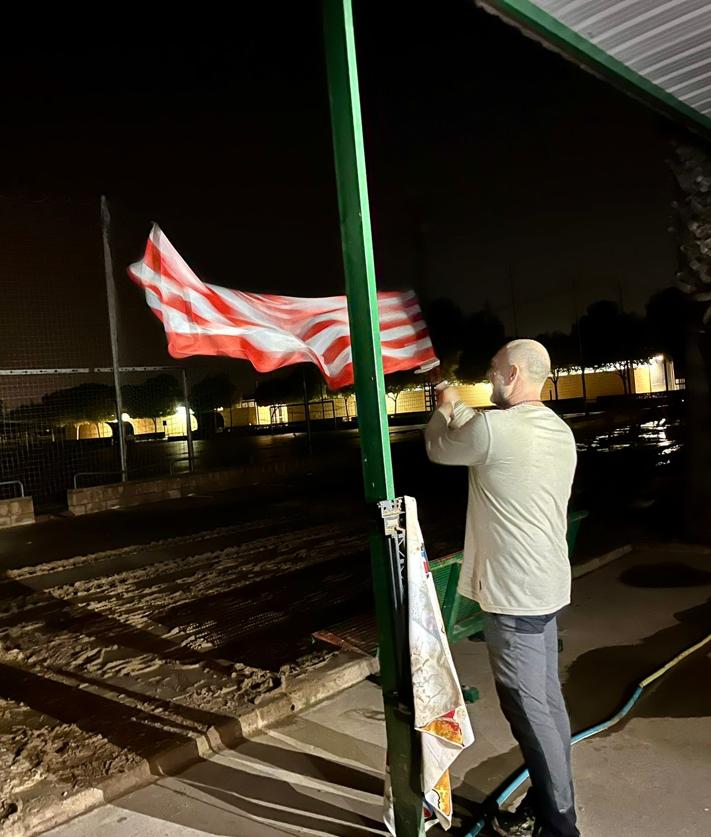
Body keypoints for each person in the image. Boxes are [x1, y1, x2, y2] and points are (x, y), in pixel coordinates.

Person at [424, 339, 579, 837]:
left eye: (492, 371)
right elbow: (482, 429)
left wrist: (441, 405)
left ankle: (560, 827)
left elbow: (439, 445)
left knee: (530, 714)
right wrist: (452, 398)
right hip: (547, 586)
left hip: (514, 595)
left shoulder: (493, 429)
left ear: (512, 374)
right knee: (548, 705)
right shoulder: (557, 430)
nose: (488, 380)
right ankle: (547, 803)